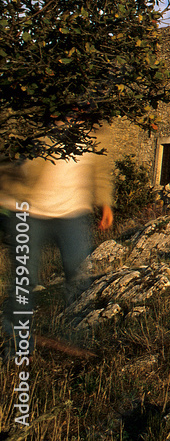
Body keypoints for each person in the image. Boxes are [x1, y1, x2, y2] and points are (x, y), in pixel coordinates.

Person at [1, 125, 114, 341]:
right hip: (26, 209)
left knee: (79, 275)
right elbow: (8, 156)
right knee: (24, 279)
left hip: (73, 212)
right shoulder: (37, 116)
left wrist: (104, 202)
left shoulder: (98, 129)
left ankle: (76, 335)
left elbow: (100, 169)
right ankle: (15, 344)